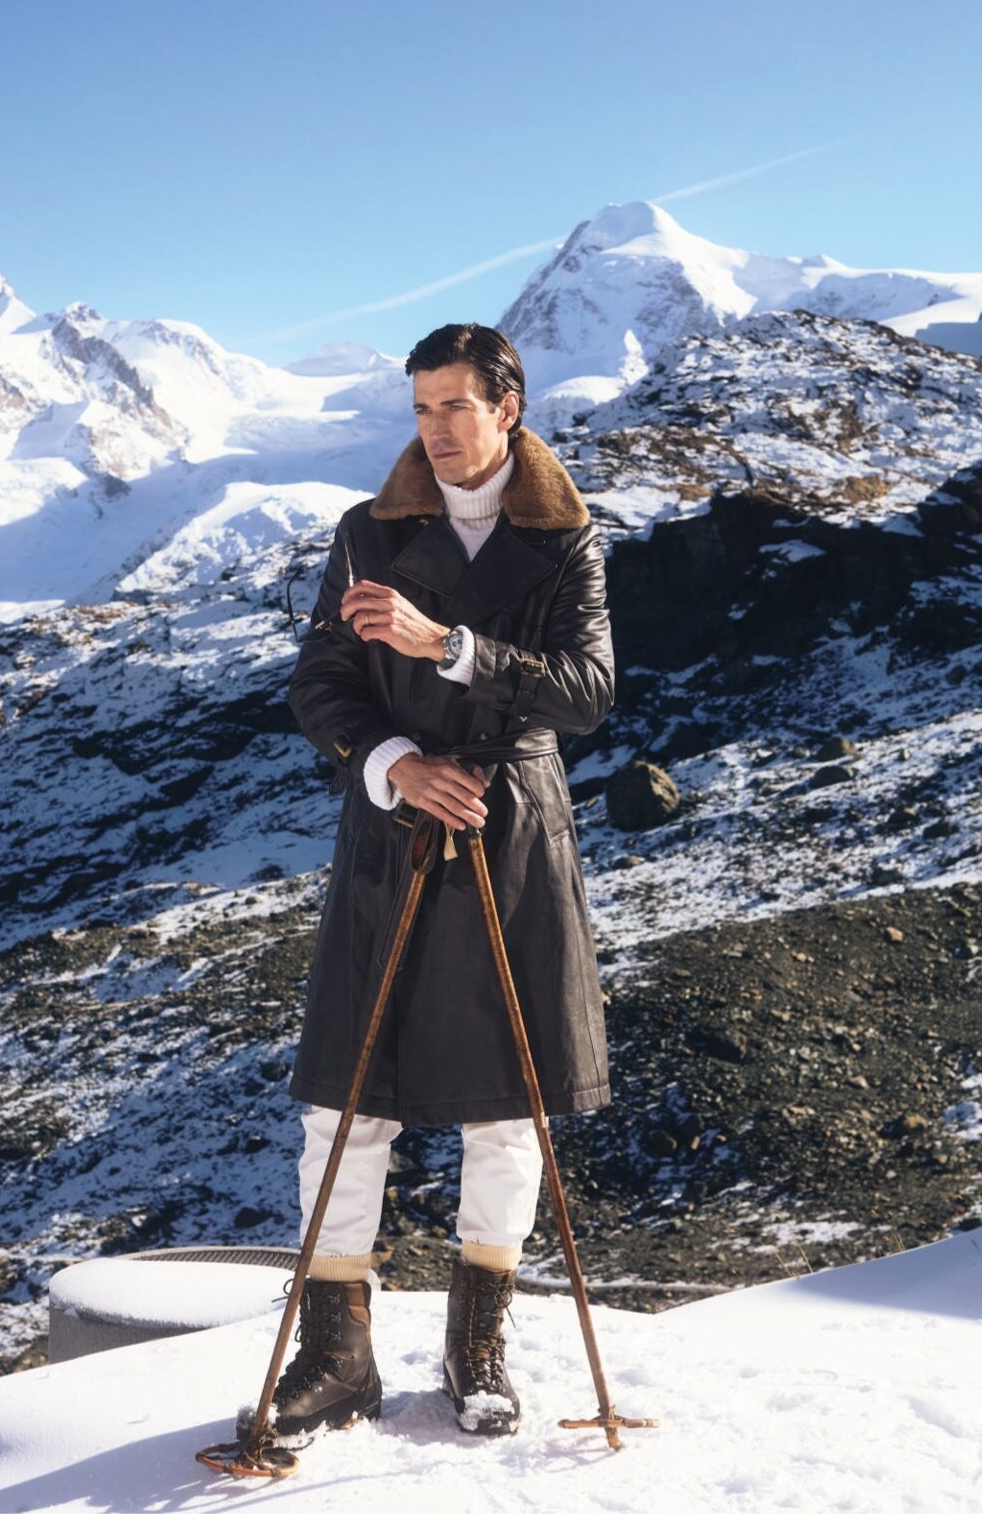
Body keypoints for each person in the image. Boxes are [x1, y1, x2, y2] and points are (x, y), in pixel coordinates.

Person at [281, 322, 614, 1439]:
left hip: (508, 829)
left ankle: (478, 1351)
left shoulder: (566, 538)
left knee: (508, 1106)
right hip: (393, 830)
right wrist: (392, 763)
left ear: (507, 408)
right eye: (421, 407)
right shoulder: (368, 532)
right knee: (345, 1100)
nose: (433, 429)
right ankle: (336, 1358)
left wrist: (450, 647)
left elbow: (586, 692)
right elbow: (320, 683)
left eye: (454, 407)